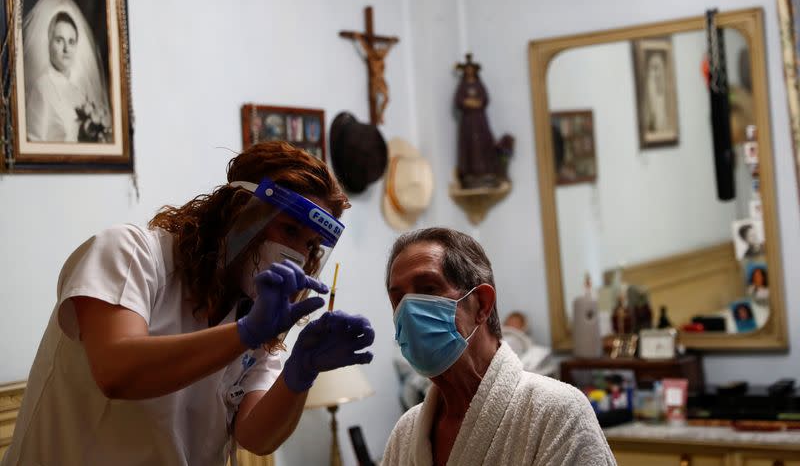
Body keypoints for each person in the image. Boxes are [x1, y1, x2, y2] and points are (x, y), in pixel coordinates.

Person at [2, 141, 375, 466]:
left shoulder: (259, 317)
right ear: (239, 212)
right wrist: (244, 334)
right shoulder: (132, 255)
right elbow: (117, 371)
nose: (295, 254)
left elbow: (256, 437)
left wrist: (300, 372)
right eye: (289, 230)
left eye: (310, 245)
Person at [382, 228, 615, 465]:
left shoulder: (556, 414)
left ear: (482, 304)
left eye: (429, 289)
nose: (409, 312)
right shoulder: (406, 433)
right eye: (398, 299)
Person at [23, 0, 111, 143]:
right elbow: (34, 142)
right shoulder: (42, 87)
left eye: (71, 42)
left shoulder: (80, 88)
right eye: (59, 40)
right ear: (48, 44)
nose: (66, 49)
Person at [644, 51, 669, 134]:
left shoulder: (662, 82)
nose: (655, 72)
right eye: (653, 68)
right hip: (652, 117)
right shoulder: (650, 82)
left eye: (657, 67)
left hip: (661, 121)